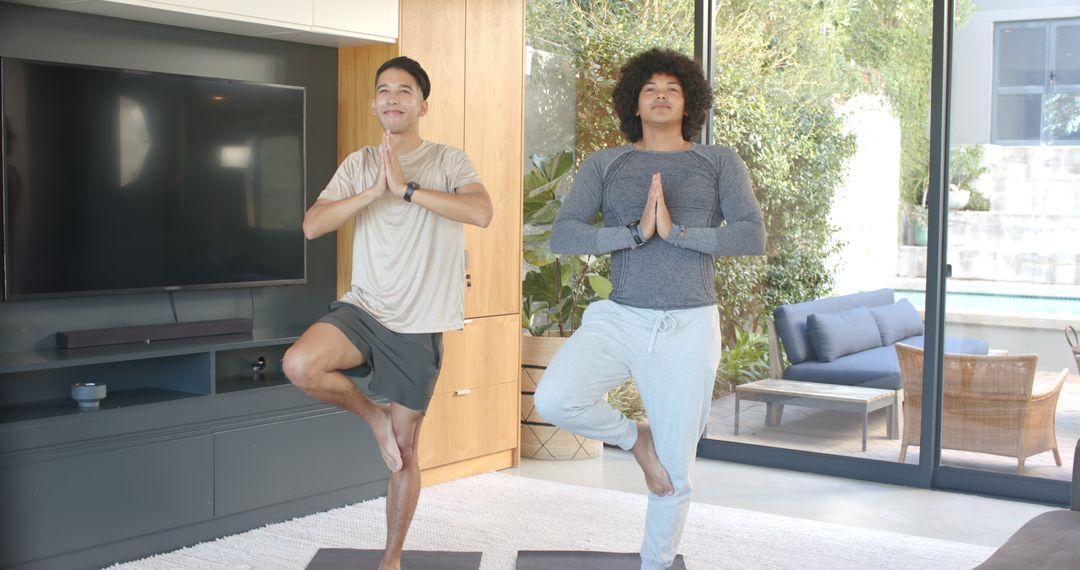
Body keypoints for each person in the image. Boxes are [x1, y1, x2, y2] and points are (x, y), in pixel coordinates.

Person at [534, 48, 765, 569]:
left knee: (676, 470)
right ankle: (635, 439)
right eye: (650, 89)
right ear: (634, 103)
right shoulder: (607, 163)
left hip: (688, 323)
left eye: (673, 89)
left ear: (689, 103)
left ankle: (654, 564)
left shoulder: (718, 161)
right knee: (554, 399)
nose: (661, 96)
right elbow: (565, 233)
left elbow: (751, 235)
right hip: (620, 315)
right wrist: (635, 234)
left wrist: (677, 233)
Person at [282, 56, 493, 570]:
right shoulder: (358, 163)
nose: (392, 98)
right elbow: (312, 225)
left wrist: (406, 190)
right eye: (384, 90)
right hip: (364, 308)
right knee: (299, 364)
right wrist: (373, 191)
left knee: (406, 448)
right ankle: (372, 416)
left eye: (404, 90)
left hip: (418, 322)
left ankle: (391, 559)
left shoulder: (448, 160)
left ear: (422, 103)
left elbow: (480, 212)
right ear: (374, 103)